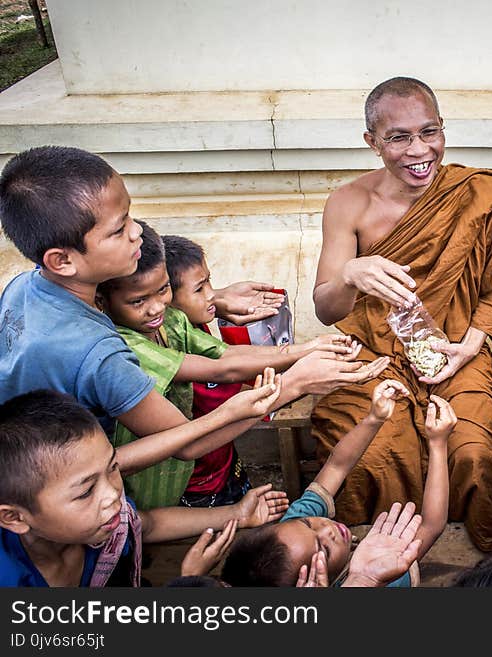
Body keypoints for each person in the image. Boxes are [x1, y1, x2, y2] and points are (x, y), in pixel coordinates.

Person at [0, 145, 389, 479]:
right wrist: (294, 385)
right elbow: (190, 441)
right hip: (69, 501)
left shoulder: (24, 287)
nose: (137, 232)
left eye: (130, 217)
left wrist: (213, 299)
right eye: (118, 231)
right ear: (62, 260)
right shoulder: (99, 355)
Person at [309, 77, 492, 552]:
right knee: (373, 456)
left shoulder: (482, 195)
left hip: (457, 348)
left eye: (429, 132)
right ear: (372, 142)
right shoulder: (349, 203)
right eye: (399, 137)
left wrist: (470, 346)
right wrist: (351, 273)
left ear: (443, 128)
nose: (419, 151)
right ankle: (372, 559)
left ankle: (476, 559)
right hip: (372, 355)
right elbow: (326, 309)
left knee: (473, 453)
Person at [96, 221, 358, 509]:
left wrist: (308, 348)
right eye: (138, 301)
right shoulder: (128, 346)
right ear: (102, 302)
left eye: (163, 291)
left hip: (218, 463)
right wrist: (296, 380)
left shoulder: (172, 319)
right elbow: (220, 371)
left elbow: (226, 356)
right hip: (173, 484)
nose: (157, 307)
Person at [0, 390, 289, 587]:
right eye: (86, 491)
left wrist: (237, 513)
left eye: (113, 468)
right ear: (14, 518)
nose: (113, 494)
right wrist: (189, 581)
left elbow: (146, 525)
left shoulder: (105, 526)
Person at [221, 380, 455, 587]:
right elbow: (432, 526)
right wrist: (437, 444)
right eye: (324, 549)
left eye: (309, 523)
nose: (328, 529)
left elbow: (336, 467)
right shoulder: (387, 574)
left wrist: (374, 418)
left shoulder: (292, 531)